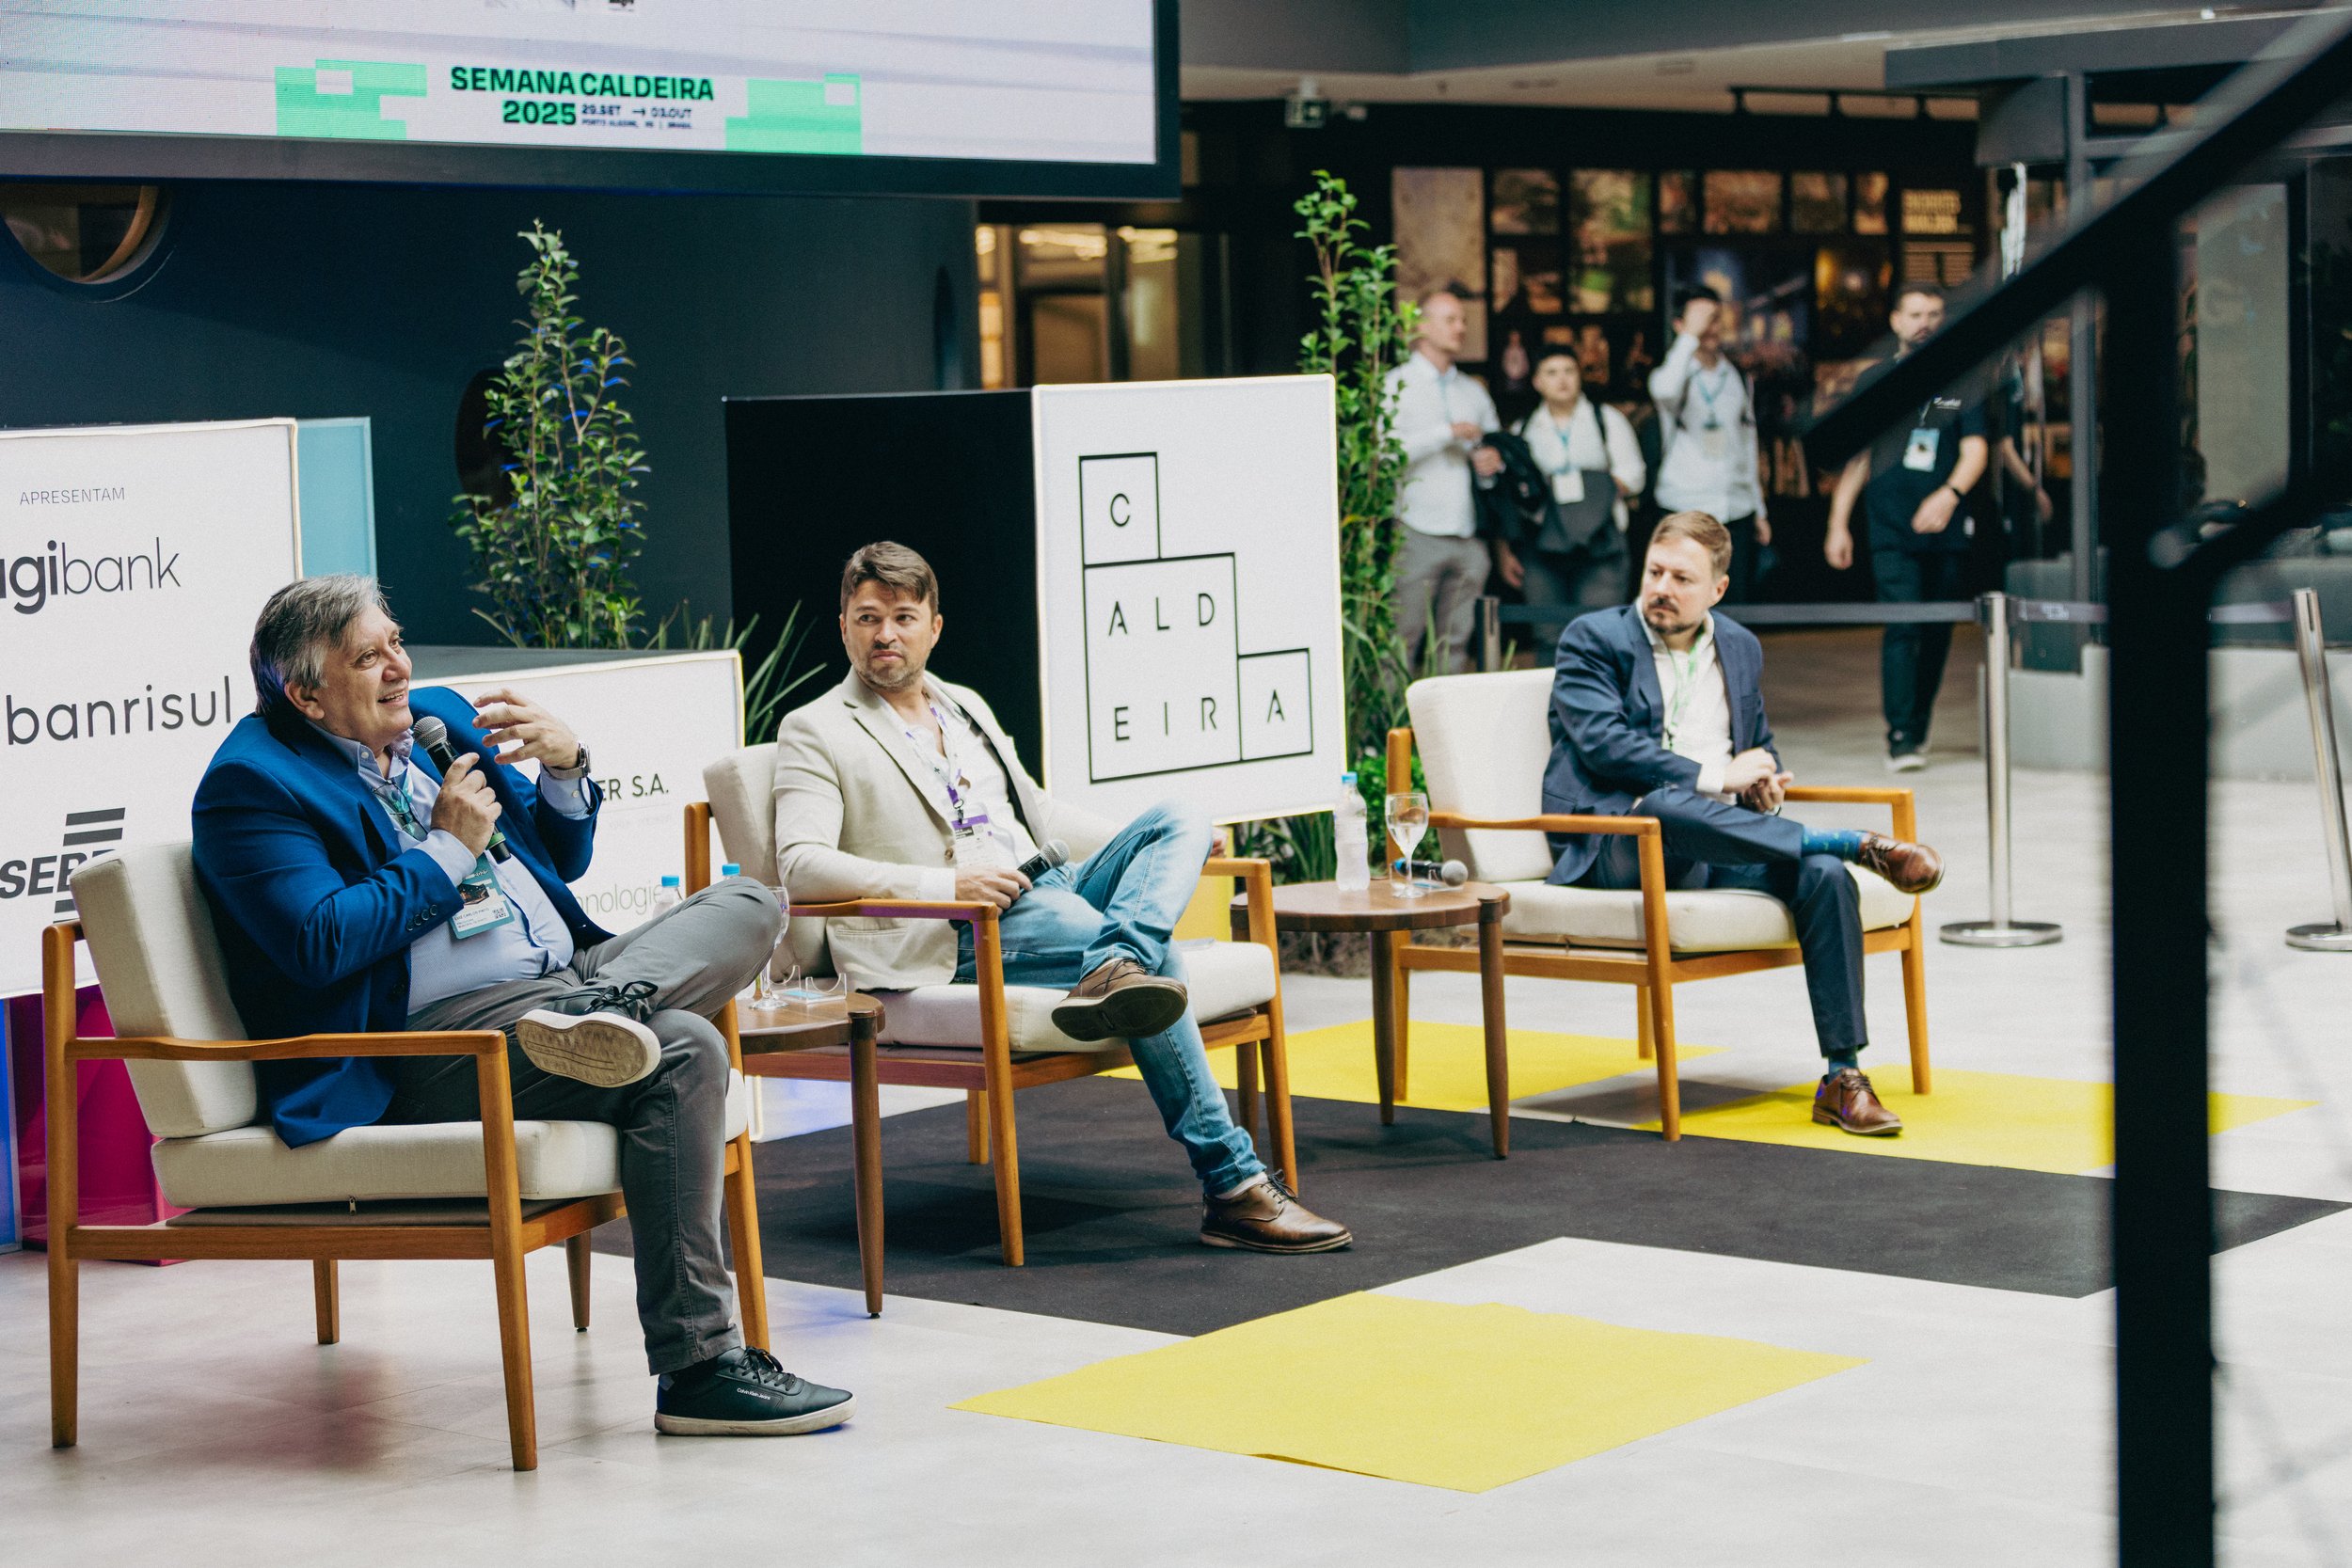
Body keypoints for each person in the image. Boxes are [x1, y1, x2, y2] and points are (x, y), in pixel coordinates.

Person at [191, 576, 850, 1439]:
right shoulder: (253, 783)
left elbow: (557, 858)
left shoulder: (436, 722)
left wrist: (567, 769)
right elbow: (319, 941)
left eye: (396, 642)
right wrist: (443, 849)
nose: (399, 666)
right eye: (368, 657)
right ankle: (701, 1369)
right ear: (306, 693)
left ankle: (601, 1008)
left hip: (567, 977)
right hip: (434, 1037)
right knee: (685, 1046)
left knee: (753, 903)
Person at [771, 542, 1352, 1254]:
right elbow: (801, 865)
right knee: (1156, 958)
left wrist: (1155, 846)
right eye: (868, 618)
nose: (884, 633)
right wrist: (946, 886)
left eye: (902, 617)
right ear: (844, 626)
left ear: (934, 626)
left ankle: (1114, 960)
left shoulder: (964, 704)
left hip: (1049, 881)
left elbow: (1040, 815)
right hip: (959, 923)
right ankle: (1233, 1186)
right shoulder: (817, 727)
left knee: (1183, 816)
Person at [1540, 514, 1947, 1135]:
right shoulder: (1593, 638)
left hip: (1715, 838)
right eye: (1654, 572)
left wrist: (1764, 783)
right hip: (1620, 840)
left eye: (1682, 578)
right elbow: (1605, 746)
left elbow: (1757, 744)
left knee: (1823, 875)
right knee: (1664, 805)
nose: (1662, 588)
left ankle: (1842, 1077)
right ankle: (1852, 840)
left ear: (1718, 589)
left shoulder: (1739, 646)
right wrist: (1714, 774)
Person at [1823, 282, 1990, 771]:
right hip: (1890, 527)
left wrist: (1949, 494)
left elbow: (1976, 450)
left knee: (1936, 632)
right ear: (1896, 321)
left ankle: (1918, 727)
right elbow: (1858, 458)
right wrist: (1838, 524)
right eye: (1915, 314)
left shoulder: (1964, 376)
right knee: (1904, 625)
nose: (1925, 324)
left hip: (1945, 528)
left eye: (1933, 314)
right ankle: (1899, 736)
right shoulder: (1875, 380)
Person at [1493, 348, 1646, 645]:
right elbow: (1511, 492)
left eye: (1569, 371)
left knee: (1599, 634)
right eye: (1552, 373)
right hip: (1542, 546)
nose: (1562, 380)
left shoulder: (1606, 419)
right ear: (1537, 382)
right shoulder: (1524, 428)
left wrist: (1591, 497)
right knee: (1548, 635)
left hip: (1601, 543)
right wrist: (1506, 549)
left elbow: (1634, 475)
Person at [1387, 285, 1502, 673]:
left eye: (1463, 320)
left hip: (1468, 533)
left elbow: (1493, 451)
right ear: (1421, 326)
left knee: (1454, 643)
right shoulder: (1396, 385)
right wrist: (1444, 433)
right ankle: (1395, 715)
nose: (1461, 328)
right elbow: (1385, 454)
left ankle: (1441, 715)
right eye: (1450, 319)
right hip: (1417, 530)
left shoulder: (1472, 391)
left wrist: (1490, 462)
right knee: (1403, 640)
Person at [1649, 290, 1771, 603]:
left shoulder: (1737, 377)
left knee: (1734, 609)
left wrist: (1758, 510)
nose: (1710, 327)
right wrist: (1689, 337)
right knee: (1684, 607)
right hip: (1684, 508)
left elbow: (1747, 444)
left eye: (1715, 318)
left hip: (1735, 509)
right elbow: (1663, 390)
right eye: (1701, 319)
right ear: (1680, 325)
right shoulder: (1673, 373)